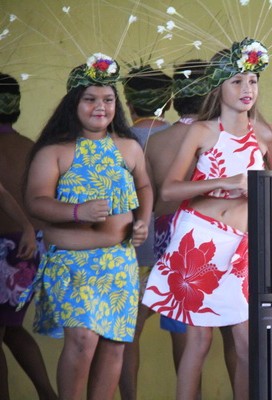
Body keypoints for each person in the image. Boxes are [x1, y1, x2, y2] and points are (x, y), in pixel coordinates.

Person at [142, 38, 272, 400]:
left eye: (252, 81)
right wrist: (223, 181)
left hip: (243, 243)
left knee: (246, 339)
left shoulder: (266, 135)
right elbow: (169, 191)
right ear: (219, 86)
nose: (246, 89)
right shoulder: (201, 131)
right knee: (199, 339)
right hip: (197, 239)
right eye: (237, 81)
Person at [18, 53, 152, 400]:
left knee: (114, 346)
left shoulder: (129, 147)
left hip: (119, 265)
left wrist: (143, 221)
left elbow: (145, 187)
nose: (100, 107)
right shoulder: (55, 151)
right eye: (90, 99)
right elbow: (36, 201)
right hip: (73, 265)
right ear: (73, 103)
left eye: (108, 99)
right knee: (82, 339)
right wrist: (78, 211)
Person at [0, 72, 57, 400]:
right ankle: (48, 394)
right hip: (35, 247)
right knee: (7, 328)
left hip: (1, 252)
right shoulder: (31, 147)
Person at [119, 64, 173, 400]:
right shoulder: (184, 137)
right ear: (168, 102)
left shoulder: (120, 141)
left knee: (128, 334)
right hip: (179, 250)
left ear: (128, 104)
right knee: (188, 332)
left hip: (134, 250)